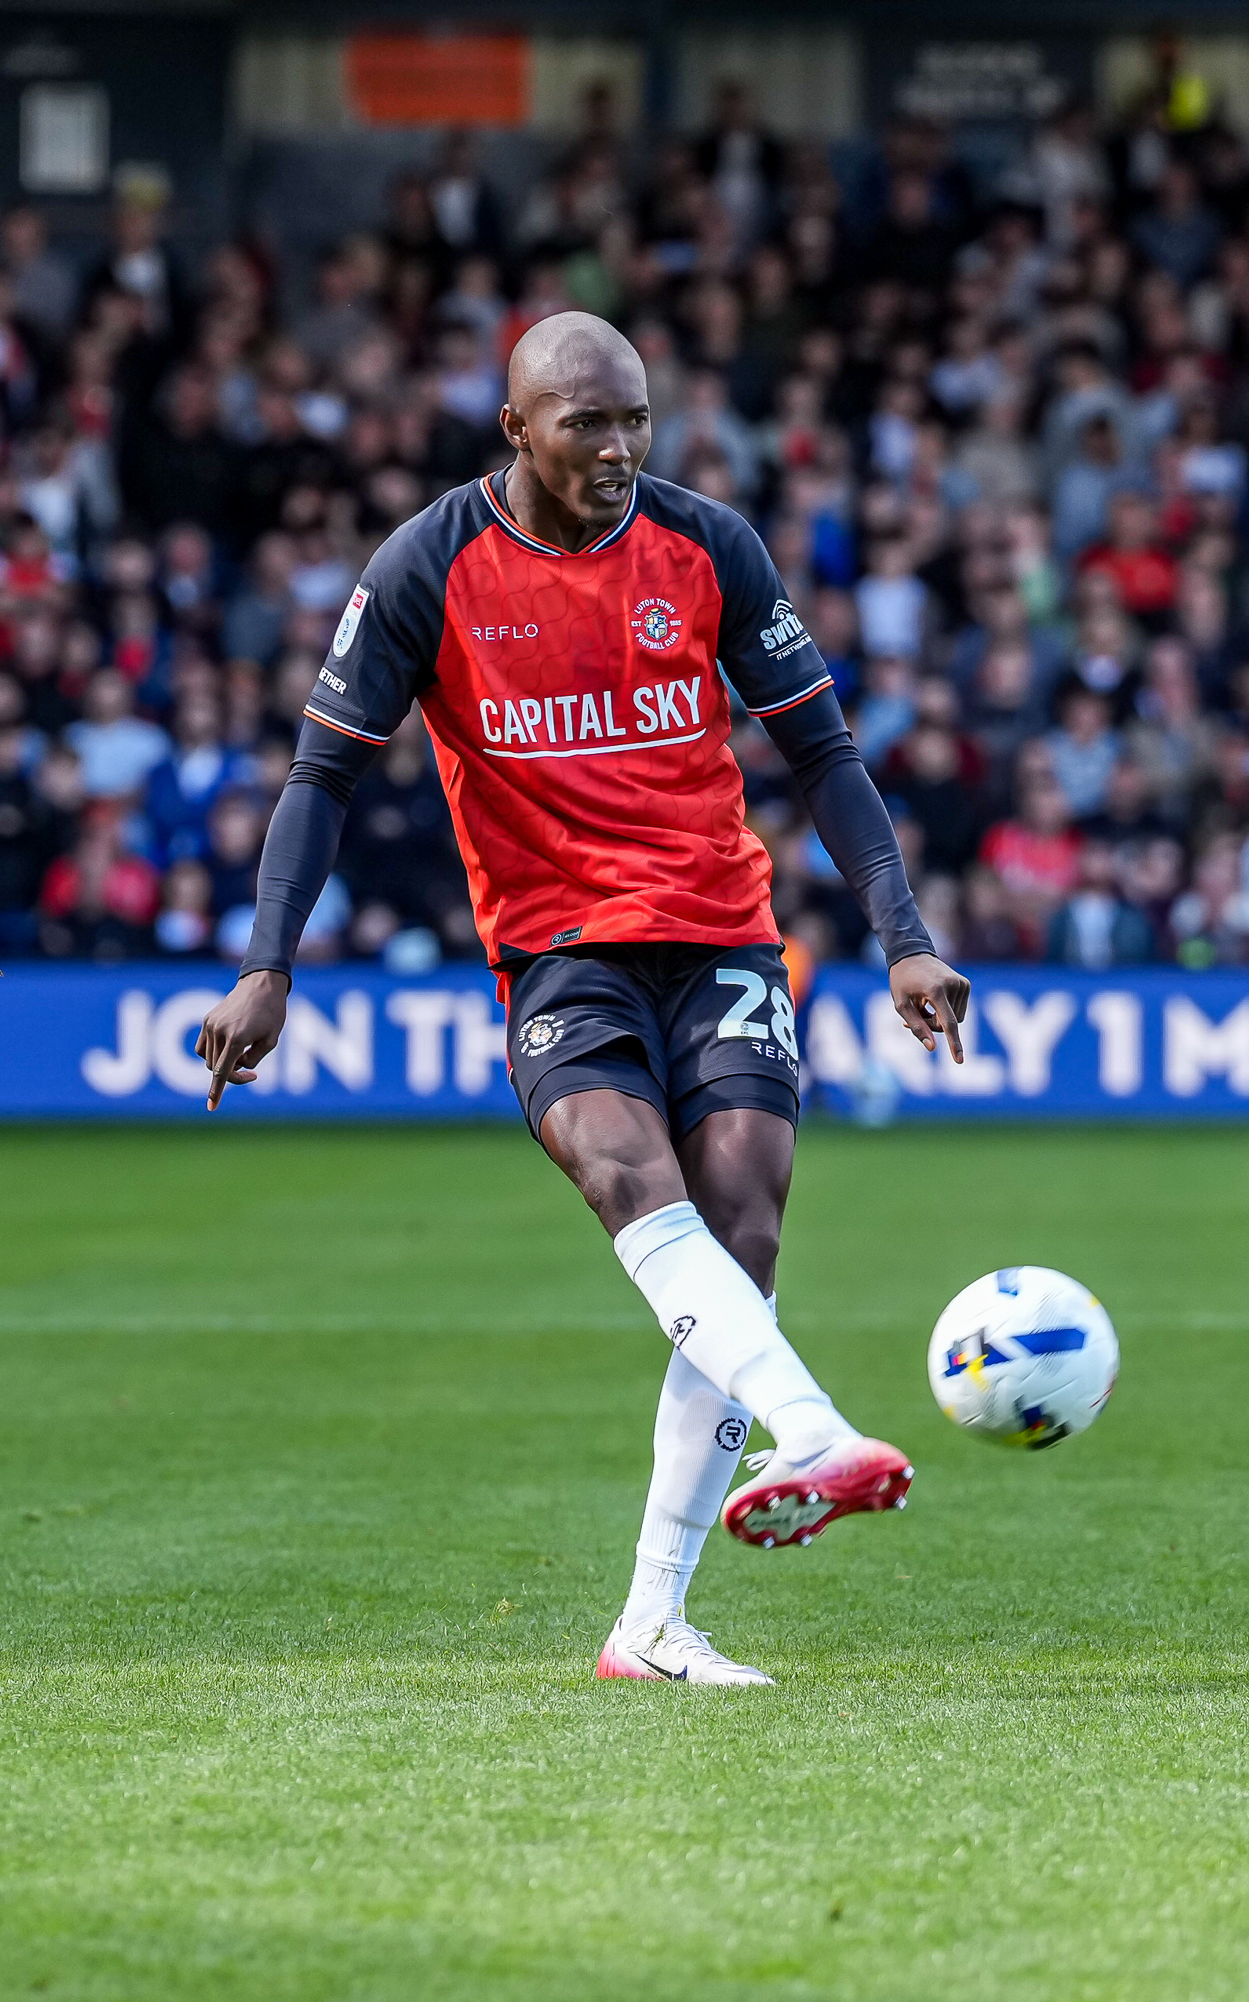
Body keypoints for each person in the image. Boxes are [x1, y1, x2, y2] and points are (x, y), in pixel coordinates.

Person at [196, 314, 973, 1688]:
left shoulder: (710, 546)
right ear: (517, 427)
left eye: (636, 420)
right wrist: (270, 959)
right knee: (628, 1169)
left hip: (723, 931)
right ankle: (811, 1431)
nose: (617, 449)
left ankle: (652, 1624)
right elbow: (321, 777)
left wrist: (901, 931)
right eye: (585, 423)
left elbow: (825, 753)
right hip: (558, 948)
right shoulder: (427, 566)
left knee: (744, 1219)